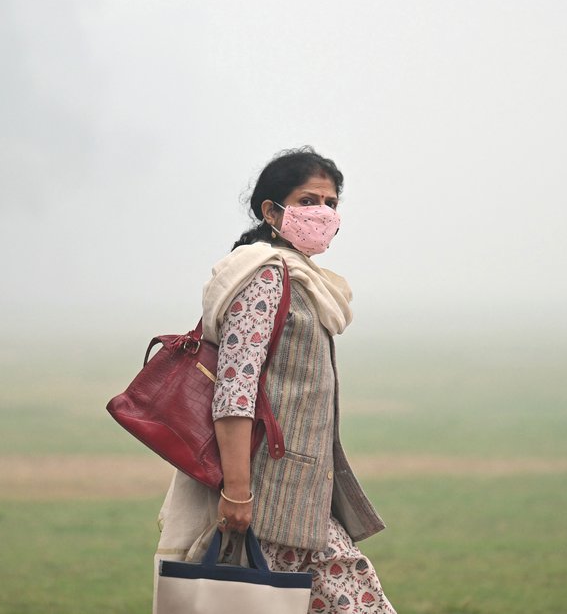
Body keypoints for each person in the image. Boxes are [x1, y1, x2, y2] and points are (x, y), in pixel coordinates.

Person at [154, 147, 396, 614]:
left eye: (330, 202)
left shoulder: (307, 281)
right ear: (271, 210)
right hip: (264, 505)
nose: (322, 213)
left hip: (305, 501)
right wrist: (238, 496)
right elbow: (234, 392)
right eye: (308, 200)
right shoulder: (265, 277)